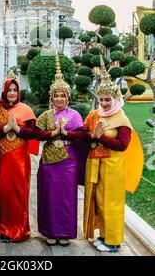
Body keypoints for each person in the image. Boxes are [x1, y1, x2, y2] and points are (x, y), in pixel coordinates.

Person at [83, 55, 143, 252]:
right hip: (97, 165)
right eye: (101, 100)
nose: (104, 103)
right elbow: (84, 131)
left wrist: (100, 138)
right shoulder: (97, 114)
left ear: (116, 98)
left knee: (113, 204)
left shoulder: (121, 118)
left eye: (108, 99)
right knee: (100, 202)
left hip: (114, 166)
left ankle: (114, 241)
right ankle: (104, 236)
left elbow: (122, 145)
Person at [35, 51, 87, 247]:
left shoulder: (74, 115)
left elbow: (82, 135)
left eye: (62, 95)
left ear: (68, 97)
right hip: (49, 160)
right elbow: (36, 134)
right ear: (52, 96)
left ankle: (64, 233)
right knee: (49, 195)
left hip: (68, 160)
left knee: (66, 197)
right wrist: (52, 133)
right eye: (56, 95)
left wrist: (65, 133)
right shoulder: (46, 115)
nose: (59, 99)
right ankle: (50, 231)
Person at [0, 71, 39, 243]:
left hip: (20, 160)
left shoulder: (26, 109)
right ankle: (4, 228)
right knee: (3, 192)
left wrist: (18, 130)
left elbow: (33, 133)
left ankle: (19, 228)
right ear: (4, 91)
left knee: (19, 193)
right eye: (9, 90)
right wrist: (5, 129)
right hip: (2, 158)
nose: (12, 93)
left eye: (15, 90)